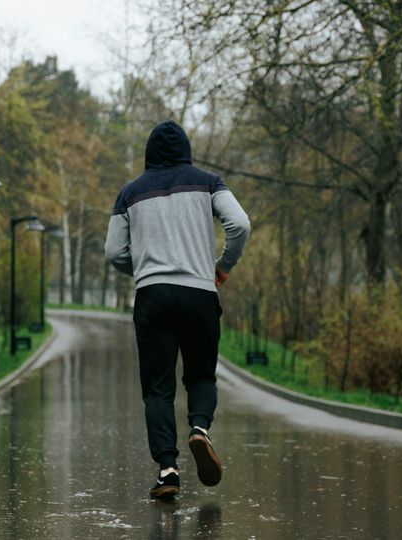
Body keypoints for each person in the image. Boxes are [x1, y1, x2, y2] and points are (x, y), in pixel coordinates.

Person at [105, 120, 250, 499]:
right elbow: (240, 223)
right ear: (186, 149)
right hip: (200, 293)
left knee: (157, 389)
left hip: (153, 297)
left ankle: (167, 470)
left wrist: (142, 271)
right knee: (201, 376)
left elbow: (112, 252)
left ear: (149, 153)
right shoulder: (208, 182)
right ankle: (199, 429)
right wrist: (223, 266)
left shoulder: (130, 192)